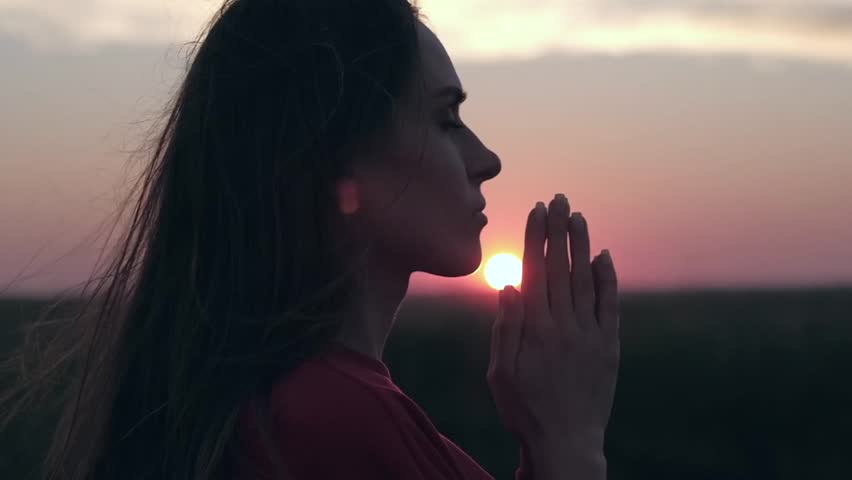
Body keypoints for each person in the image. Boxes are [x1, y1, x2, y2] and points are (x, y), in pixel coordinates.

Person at [0, 0, 620, 479]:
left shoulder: (300, 409)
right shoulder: (330, 424)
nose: (486, 159)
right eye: (445, 117)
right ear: (332, 154)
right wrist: (570, 443)